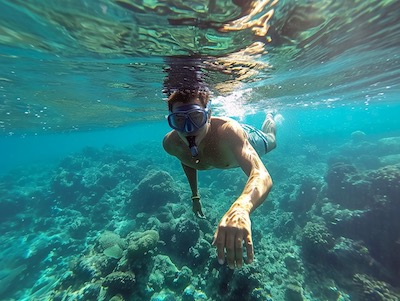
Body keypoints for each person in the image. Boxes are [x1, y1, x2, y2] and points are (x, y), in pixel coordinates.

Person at [163, 88, 276, 269]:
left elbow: (261, 174)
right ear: (171, 121)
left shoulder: (228, 132)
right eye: (179, 120)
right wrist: (195, 196)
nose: (188, 129)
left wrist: (241, 208)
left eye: (196, 117)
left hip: (246, 139)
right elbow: (187, 160)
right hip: (231, 146)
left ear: (208, 115)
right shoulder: (171, 144)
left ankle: (270, 119)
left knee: (272, 140)